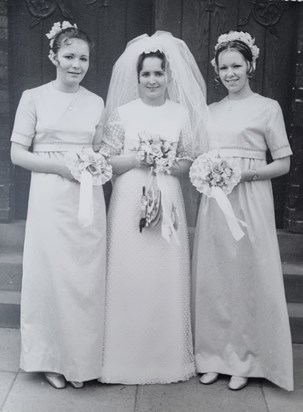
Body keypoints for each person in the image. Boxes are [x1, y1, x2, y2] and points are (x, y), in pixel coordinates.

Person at [99, 32, 208, 384]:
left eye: (158, 73)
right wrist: (138, 157)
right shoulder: (122, 114)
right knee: (130, 271)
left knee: (164, 272)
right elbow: (106, 162)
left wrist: (165, 161)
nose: (151, 80)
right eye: (145, 74)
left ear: (168, 76)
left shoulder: (179, 115)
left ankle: (165, 356)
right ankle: (124, 356)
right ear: (137, 77)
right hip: (130, 198)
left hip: (168, 197)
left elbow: (190, 161)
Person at [192, 31, 293, 391]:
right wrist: (207, 174)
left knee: (246, 276)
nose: (230, 73)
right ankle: (213, 356)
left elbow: (282, 162)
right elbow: (200, 157)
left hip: (250, 199)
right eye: (223, 68)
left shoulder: (268, 107)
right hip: (216, 202)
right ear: (216, 71)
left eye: (236, 65)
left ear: (250, 65)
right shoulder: (209, 111)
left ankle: (245, 360)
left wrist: (246, 174)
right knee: (215, 277)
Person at [10, 21, 106, 389]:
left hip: (86, 198)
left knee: (82, 277)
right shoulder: (33, 97)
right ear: (53, 56)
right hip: (50, 195)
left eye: (83, 58)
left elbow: (99, 150)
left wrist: (93, 163)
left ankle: (81, 359)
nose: (76, 64)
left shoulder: (96, 102)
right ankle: (51, 358)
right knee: (52, 275)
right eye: (68, 56)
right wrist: (62, 167)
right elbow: (17, 154)